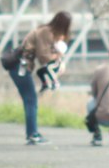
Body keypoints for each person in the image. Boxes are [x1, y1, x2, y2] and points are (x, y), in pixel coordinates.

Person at [10, 11, 70, 145]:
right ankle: (33, 134)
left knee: (29, 99)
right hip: (21, 67)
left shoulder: (46, 31)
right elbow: (44, 57)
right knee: (31, 99)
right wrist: (59, 55)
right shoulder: (46, 32)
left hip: (21, 67)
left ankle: (32, 133)